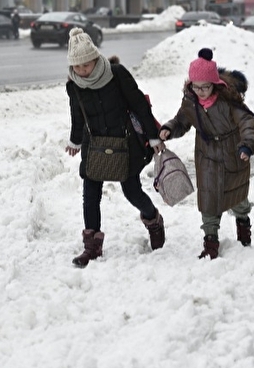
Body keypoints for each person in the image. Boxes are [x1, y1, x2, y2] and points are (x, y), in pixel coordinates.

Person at [64, 27, 165, 268]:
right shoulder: (74, 84)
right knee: (90, 196)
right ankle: (91, 246)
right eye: (76, 67)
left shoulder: (116, 74)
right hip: (94, 144)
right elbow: (77, 115)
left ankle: (153, 219)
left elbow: (140, 104)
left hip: (125, 143)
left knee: (131, 192)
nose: (82, 71)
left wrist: (153, 136)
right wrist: (75, 140)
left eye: (85, 65)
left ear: (95, 58)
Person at [158, 48, 254, 259]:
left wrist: (247, 145)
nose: (200, 91)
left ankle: (243, 225)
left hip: (233, 151)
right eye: (196, 87)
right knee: (208, 198)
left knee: (237, 195)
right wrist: (169, 128)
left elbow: (247, 122)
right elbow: (181, 121)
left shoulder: (228, 100)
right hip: (207, 155)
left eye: (205, 87)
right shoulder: (190, 101)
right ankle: (210, 241)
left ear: (215, 84)